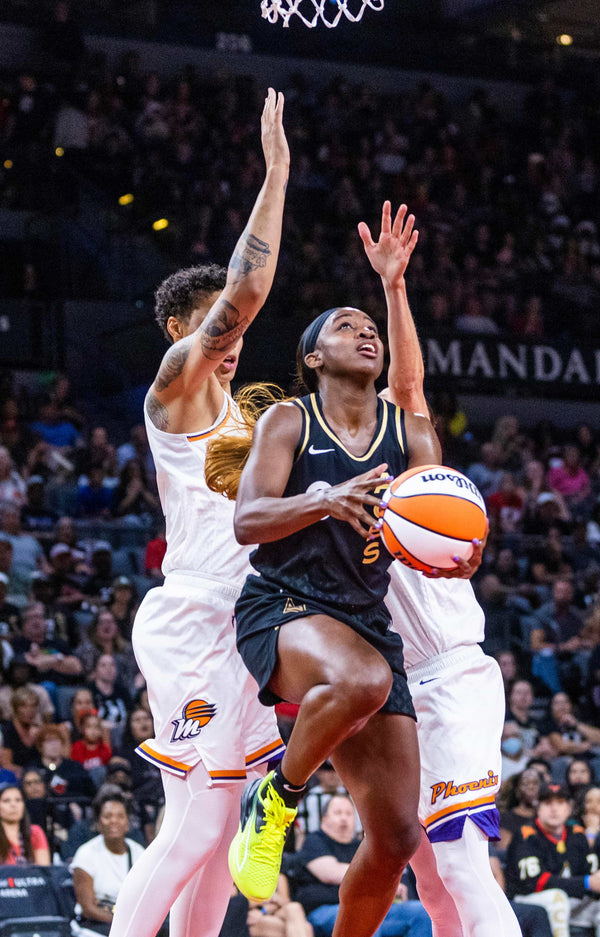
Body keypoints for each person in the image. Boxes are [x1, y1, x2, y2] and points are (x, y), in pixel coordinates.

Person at [222, 236, 446, 933]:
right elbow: (249, 520)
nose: (365, 332)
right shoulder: (291, 417)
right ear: (314, 357)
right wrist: (323, 497)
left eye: (371, 328)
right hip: (286, 603)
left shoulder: (406, 434)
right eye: (347, 325)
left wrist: (457, 553)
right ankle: (277, 797)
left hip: (363, 623)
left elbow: (442, 514)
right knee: (365, 679)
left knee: (397, 840)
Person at [109, 88, 289, 937]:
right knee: (193, 821)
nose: (237, 331)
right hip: (190, 618)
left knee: (222, 832)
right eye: (218, 320)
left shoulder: (251, 415)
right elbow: (244, 292)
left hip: (248, 621)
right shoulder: (174, 393)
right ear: (185, 327)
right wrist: (277, 173)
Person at [358, 201, 521, 936]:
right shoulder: (311, 470)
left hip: (451, 673)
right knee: (425, 870)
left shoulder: (405, 455)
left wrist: (393, 288)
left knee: (460, 863)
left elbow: (413, 382)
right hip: (393, 694)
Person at [292, 794, 432, 937]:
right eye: (338, 813)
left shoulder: (362, 846)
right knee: (364, 922)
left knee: (421, 912)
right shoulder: (314, 841)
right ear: (324, 819)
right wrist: (383, 881)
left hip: (369, 907)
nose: (344, 818)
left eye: (348, 813)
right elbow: (330, 873)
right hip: (325, 909)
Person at [505, 783, 600, 937]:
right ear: (538, 808)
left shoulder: (576, 834)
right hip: (528, 899)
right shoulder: (526, 835)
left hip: (571, 900)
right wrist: (587, 883)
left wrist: (592, 882)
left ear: (568, 808)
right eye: (548, 803)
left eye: (560, 803)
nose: (554, 809)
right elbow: (538, 882)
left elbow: (591, 873)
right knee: (557, 898)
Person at [72, 792, 145, 936]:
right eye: (107, 816)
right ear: (98, 823)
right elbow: (88, 908)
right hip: (96, 924)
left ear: (127, 824)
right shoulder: (86, 854)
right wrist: (122, 925)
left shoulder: (139, 852)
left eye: (120, 816)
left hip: (131, 920)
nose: (113, 821)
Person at [0, 783, 50, 865]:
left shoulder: (35, 832)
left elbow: (43, 870)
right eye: (6, 801)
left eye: (18, 800)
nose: (13, 805)